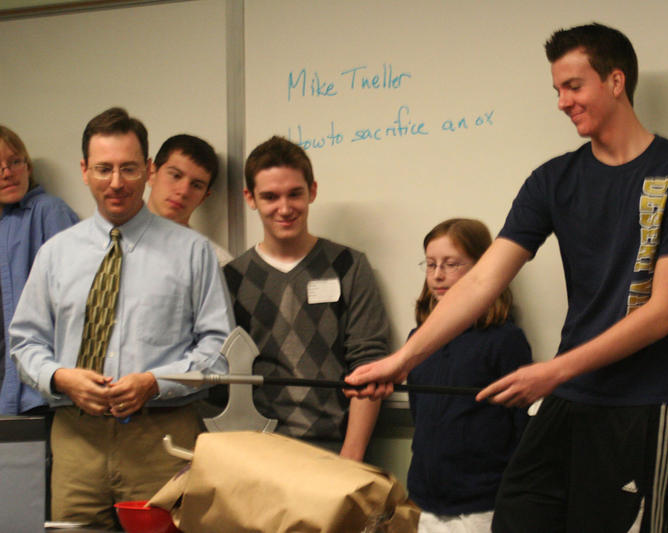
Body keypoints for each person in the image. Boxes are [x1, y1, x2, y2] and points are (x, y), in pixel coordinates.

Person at [346, 23, 668, 533]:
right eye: (557, 90)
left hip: (642, 403)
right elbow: (480, 283)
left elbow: (664, 313)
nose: (562, 102)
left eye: (573, 86)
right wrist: (402, 360)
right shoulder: (552, 180)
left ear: (615, 81)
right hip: (569, 399)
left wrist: (554, 371)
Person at [9, 107, 233, 529]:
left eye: (128, 169)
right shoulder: (56, 254)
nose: (115, 182)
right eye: (104, 168)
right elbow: (24, 343)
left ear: (147, 170)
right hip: (76, 439)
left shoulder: (192, 253)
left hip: (163, 437)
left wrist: (154, 382)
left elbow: (218, 352)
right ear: (84, 170)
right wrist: (60, 377)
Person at [224, 135, 389, 461]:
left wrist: (350, 460)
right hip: (255, 451)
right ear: (250, 198)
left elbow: (368, 363)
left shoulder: (349, 266)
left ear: (312, 191)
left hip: (334, 451)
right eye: (270, 196)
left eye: (295, 194)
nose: (284, 208)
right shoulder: (231, 278)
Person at [408, 218, 531, 533]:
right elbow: (418, 415)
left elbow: (521, 429)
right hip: (425, 500)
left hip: (481, 506)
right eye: (431, 264)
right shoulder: (418, 340)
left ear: (482, 268)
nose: (438, 275)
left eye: (452, 264)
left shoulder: (504, 340)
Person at [0, 125, 79, 415]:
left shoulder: (47, 211)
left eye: (14, 161)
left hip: (37, 388)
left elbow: (75, 295)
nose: (7, 172)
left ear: (28, 166)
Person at [147, 133, 233, 265]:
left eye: (196, 185)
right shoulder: (111, 240)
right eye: (175, 175)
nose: (183, 191)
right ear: (151, 173)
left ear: (203, 197)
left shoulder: (215, 261)